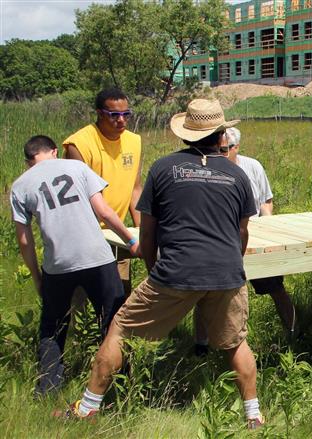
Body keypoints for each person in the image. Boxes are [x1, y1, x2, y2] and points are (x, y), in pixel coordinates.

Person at [58, 99, 264, 430]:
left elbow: (149, 232)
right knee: (236, 341)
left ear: (186, 134)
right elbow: (242, 232)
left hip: (176, 271)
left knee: (121, 328)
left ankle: (88, 406)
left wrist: (154, 269)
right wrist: (228, 267)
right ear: (221, 133)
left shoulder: (163, 169)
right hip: (226, 273)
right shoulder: (237, 175)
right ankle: (253, 414)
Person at [10, 135, 139, 396]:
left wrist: (37, 277)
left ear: (28, 161)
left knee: (52, 327)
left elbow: (24, 240)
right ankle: (121, 383)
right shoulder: (77, 168)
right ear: (54, 151)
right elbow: (103, 211)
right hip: (97, 257)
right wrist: (131, 239)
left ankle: (48, 387)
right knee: (113, 320)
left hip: (58, 264)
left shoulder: (20, 186)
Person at [193, 127, 295, 354]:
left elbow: (266, 201)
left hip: (254, 236)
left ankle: (293, 333)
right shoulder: (204, 168)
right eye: (218, 149)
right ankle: (201, 346)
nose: (220, 153)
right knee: (206, 293)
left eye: (225, 149)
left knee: (276, 287)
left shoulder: (252, 167)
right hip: (221, 239)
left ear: (236, 148)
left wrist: (269, 229)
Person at [63, 88, 142, 296]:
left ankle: (114, 328)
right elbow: (79, 197)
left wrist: (141, 230)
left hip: (118, 232)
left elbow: (135, 189)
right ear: (99, 113)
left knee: (119, 294)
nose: (122, 120)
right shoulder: (79, 144)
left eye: (126, 114)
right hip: (85, 235)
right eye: (114, 115)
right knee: (83, 298)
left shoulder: (134, 141)